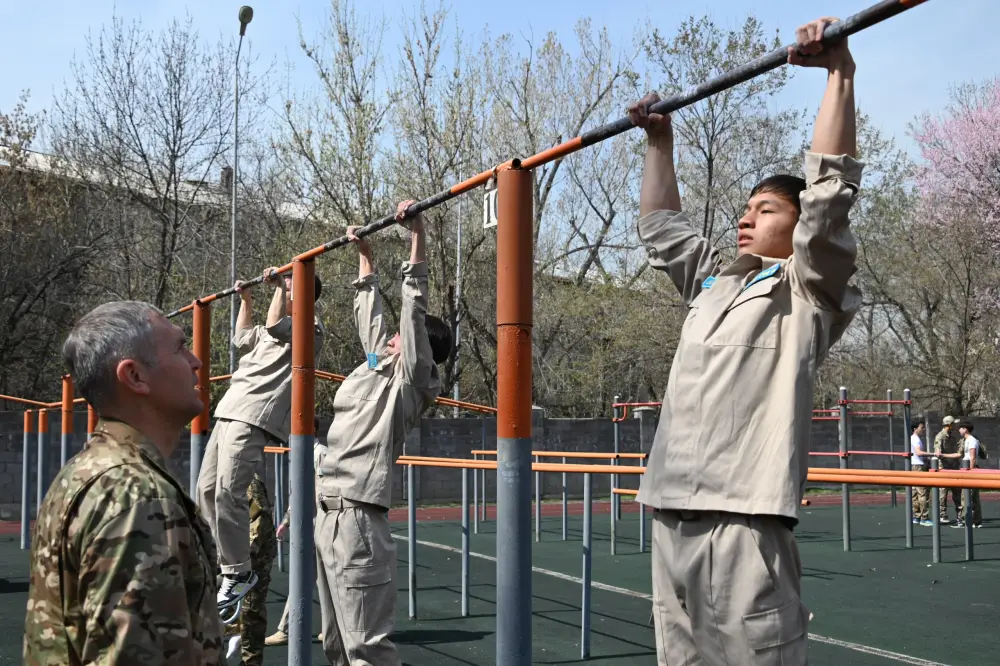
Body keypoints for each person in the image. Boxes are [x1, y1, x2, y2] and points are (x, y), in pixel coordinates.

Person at [629, 17, 862, 665]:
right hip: (672, 509)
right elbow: (661, 231)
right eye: (745, 207)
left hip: (745, 522)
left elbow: (828, 197)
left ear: (797, 228)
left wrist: (838, 72)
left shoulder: (808, 290)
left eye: (765, 210)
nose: (744, 217)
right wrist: (659, 143)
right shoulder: (712, 282)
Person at [23, 301, 223, 665]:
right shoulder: (137, 495)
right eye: (180, 347)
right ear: (134, 376)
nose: (196, 362)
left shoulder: (87, 470)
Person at [314, 200, 453, 664]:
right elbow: (369, 317)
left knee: (365, 648)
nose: (391, 336)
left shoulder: (414, 379)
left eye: (400, 336)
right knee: (335, 645)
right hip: (326, 513)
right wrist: (366, 258)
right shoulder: (378, 365)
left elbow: (413, 311)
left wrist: (417, 235)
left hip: (357, 518)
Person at [196, 265, 326, 612]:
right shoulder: (274, 329)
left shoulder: (308, 329)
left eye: (290, 286)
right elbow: (242, 338)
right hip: (228, 410)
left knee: (228, 491)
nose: (284, 290)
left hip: (253, 416)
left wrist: (276, 289)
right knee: (205, 491)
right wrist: (246, 299)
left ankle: (238, 572)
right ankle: (219, 564)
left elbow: (273, 325)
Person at [266, 427, 329, 647]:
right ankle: (329, 629)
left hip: (315, 527)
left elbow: (321, 494)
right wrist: (286, 521)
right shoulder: (302, 454)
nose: (289, 435)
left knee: (305, 579)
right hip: (307, 526)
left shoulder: (319, 453)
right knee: (319, 580)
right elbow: (299, 495)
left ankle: (286, 629)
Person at [224, 472, 277, 666]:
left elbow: (259, 520)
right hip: (237, 554)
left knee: (251, 610)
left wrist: (246, 558)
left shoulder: (245, 479)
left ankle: (251, 661)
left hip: (253, 557)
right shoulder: (228, 474)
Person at [933, 415, 963, 524]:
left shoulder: (953, 437)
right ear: (949, 425)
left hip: (954, 468)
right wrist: (947, 455)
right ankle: (943, 515)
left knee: (957, 493)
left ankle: (959, 515)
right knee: (943, 493)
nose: (955, 426)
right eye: (953, 424)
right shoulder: (940, 437)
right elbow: (938, 452)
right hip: (944, 468)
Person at [956, 422, 983, 529]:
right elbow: (959, 454)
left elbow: (972, 457)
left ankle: (966, 520)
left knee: (966, 495)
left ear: (965, 429)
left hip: (970, 469)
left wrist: (970, 471)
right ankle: (976, 521)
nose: (959, 430)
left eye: (960, 428)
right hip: (967, 468)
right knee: (974, 496)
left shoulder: (971, 440)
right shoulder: (967, 440)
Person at [909, 421, 934, 526]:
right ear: (915, 429)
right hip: (918, 466)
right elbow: (918, 453)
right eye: (922, 428)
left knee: (915, 492)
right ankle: (924, 518)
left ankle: (916, 516)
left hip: (914, 465)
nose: (923, 430)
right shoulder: (915, 439)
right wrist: (932, 454)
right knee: (922, 492)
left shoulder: (913, 438)